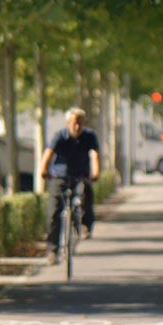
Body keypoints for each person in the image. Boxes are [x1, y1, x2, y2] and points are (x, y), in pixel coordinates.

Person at [38, 107, 100, 264]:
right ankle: (52, 250)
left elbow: (94, 155)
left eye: (80, 123)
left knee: (87, 193)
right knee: (54, 211)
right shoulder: (60, 136)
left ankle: (86, 224)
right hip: (60, 176)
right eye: (74, 123)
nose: (77, 127)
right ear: (68, 123)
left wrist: (95, 172)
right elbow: (48, 153)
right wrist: (44, 170)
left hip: (80, 176)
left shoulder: (89, 136)